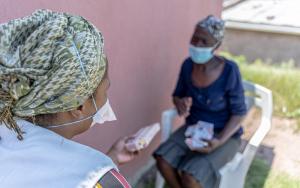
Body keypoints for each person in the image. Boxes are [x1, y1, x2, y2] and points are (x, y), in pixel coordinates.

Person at [0, 9, 135, 188]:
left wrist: (112, 157)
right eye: (105, 89)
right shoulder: (99, 180)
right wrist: (102, 169)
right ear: (79, 106)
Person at [153, 15, 247, 188]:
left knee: (191, 176)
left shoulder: (229, 71)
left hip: (224, 134)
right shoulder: (187, 65)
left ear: (216, 46)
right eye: (194, 38)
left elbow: (239, 113)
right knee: (162, 160)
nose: (197, 45)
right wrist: (179, 103)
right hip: (194, 129)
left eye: (204, 41)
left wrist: (219, 140)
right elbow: (177, 95)